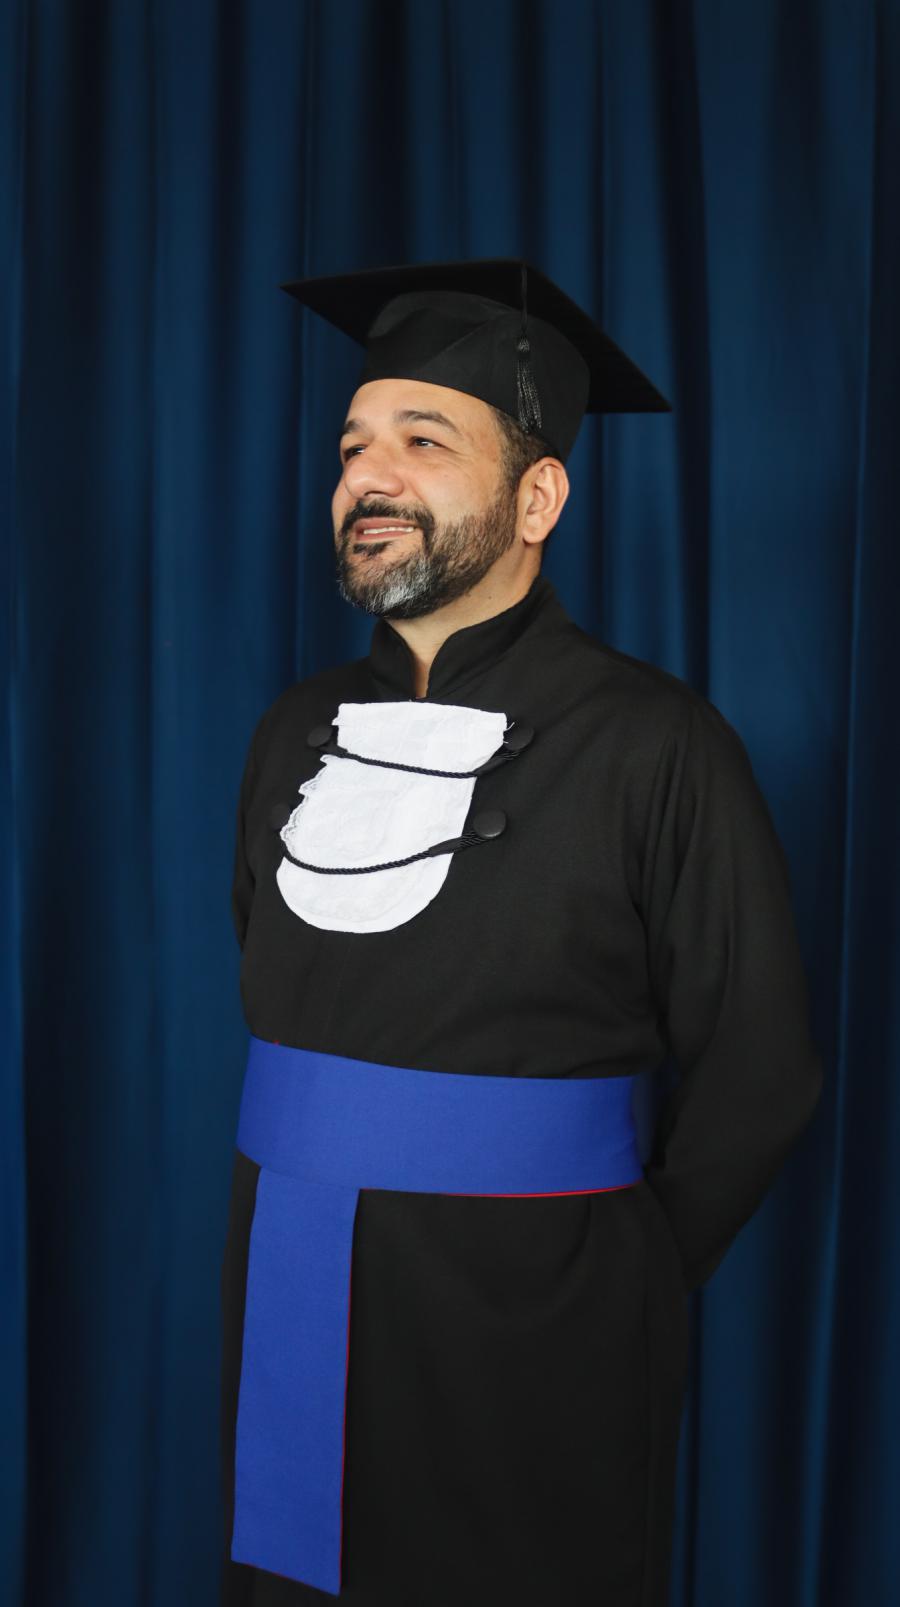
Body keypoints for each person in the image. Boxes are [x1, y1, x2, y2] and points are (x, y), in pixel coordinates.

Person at [219, 258, 822, 1607]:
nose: (370, 477)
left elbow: (763, 1074)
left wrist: (619, 1277)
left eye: (424, 442)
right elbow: (270, 971)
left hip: (543, 1328)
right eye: (354, 448)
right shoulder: (288, 735)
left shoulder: (659, 745)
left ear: (538, 499)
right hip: (295, 1290)